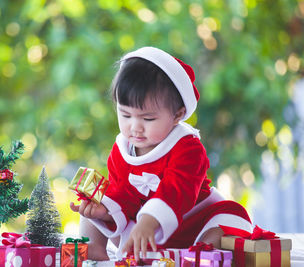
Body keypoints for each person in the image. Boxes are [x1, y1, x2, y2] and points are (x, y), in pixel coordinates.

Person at [70, 47, 252, 261]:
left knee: (225, 225)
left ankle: (199, 257)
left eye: (148, 119)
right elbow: (121, 192)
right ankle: (93, 252)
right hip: (143, 229)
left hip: (192, 218)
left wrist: (150, 219)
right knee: (93, 209)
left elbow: (178, 189)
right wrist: (106, 211)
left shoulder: (188, 147)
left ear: (177, 115)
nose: (135, 127)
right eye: (125, 114)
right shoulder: (122, 148)